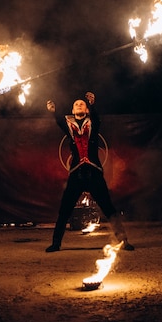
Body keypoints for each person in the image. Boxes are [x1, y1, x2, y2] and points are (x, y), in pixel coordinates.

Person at [45, 91, 134, 252]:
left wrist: (92, 105)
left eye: (82, 104)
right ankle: (56, 243)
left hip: (94, 172)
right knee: (65, 209)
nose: (79, 105)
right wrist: (54, 111)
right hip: (76, 173)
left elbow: (97, 118)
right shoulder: (69, 125)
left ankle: (123, 241)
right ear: (72, 111)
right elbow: (60, 121)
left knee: (108, 207)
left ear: (86, 110)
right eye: (76, 104)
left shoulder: (93, 123)